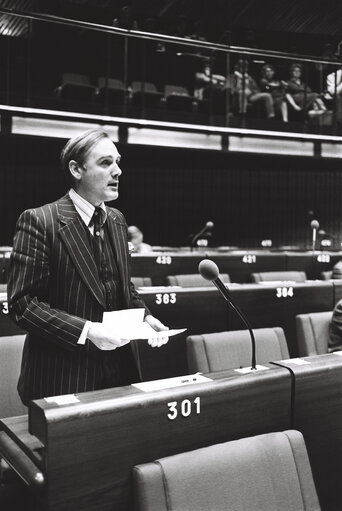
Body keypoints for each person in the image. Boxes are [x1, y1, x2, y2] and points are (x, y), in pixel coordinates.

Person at [7, 129, 169, 405]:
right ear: (76, 169)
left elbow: (121, 286)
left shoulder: (117, 220)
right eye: (106, 163)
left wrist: (145, 317)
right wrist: (88, 330)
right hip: (63, 377)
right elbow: (23, 305)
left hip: (120, 374)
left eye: (118, 162)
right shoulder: (39, 221)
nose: (117, 171)